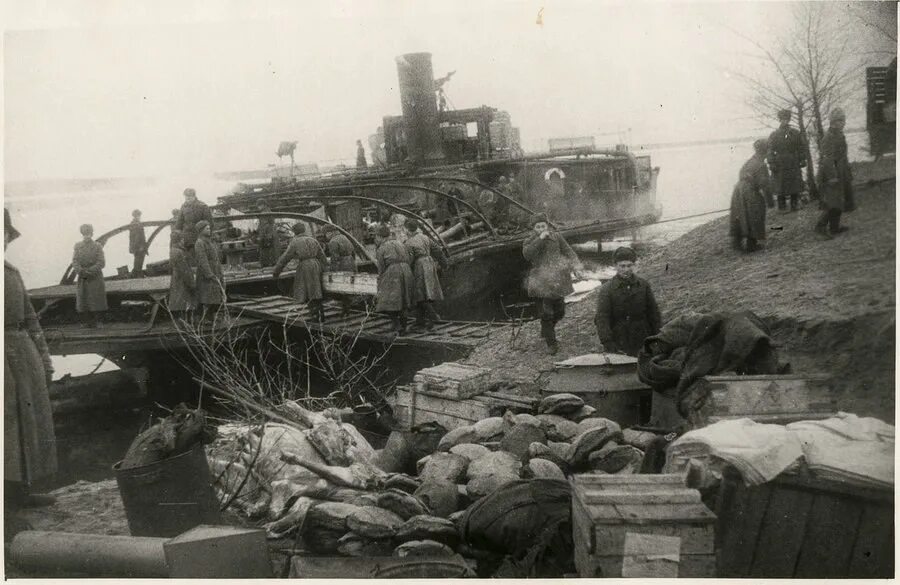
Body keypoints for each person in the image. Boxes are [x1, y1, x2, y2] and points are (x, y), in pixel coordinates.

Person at [5, 209, 58, 521]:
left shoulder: (11, 272)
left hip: (21, 354)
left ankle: (19, 492)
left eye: (5, 235)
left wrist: (45, 358)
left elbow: (30, 318)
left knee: (27, 421)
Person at [522, 214, 583, 355]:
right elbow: (527, 255)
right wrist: (539, 239)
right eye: (538, 227)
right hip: (541, 281)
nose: (541, 229)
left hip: (558, 279)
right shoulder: (529, 241)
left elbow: (569, 252)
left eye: (543, 226)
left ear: (547, 226)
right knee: (546, 313)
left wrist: (576, 267)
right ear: (533, 229)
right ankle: (551, 343)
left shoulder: (557, 237)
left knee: (560, 311)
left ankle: (546, 329)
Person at [594, 246, 661, 357]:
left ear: (634, 265)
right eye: (622, 266)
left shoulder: (643, 285)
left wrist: (656, 337)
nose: (626, 270)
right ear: (615, 266)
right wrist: (607, 342)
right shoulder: (607, 289)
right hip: (619, 339)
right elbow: (602, 318)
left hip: (642, 337)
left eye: (629, 265)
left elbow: (653, 313)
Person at [272, 222, 327, 321]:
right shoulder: (313, 240)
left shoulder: (295, 242)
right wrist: (325, 269)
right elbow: (322, 256)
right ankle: (321, 314)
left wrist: (276, 271)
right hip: (316, 265)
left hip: (305, 266)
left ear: (295, 232)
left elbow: (285, 258)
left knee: (307, 290)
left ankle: (314, 315)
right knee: (316, 289)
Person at [815, 108, 856, 238]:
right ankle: (820, 228)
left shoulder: (839, 134)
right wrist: (832, 176)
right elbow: (827, 159)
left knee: (839, 199)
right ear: (833, 122)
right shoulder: (829, 137)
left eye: (843, 120)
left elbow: (843, 156)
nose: (843, 123)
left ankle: (834, 227)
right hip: (830, 173)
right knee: (833, 202)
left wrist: (846, 172)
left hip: (840, 170)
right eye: (840, 120)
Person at [404, 219, 449, 330]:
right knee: (426, 292)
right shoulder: (425, 237)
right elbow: (437, 250)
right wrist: (444, 263)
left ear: (408, 230)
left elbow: (409, 260)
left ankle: (433, 316)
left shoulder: (409, 243)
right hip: (429, 263)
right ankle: (420, 321)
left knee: (420, 293)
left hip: (420, 266)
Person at [730, 139, 773, 252]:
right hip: (749, 190)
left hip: (738, 189)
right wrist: (770, 201)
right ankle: (751, 244)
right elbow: (764, 184)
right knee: (756, 212)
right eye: (769, 150)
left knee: (739, 214)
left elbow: (741, 173)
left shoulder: (750, 161)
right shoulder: (761, 165)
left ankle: (736, 243)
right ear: (765, 151)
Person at [374, 224, 413, 334]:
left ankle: (396, 324)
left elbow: (381, 267)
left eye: (376, 236)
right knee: (404, 299)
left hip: (392, 272)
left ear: (380, 237)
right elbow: (409, 257)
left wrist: (380, 279)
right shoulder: (400, 243)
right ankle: (404, 327)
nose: (376, 239)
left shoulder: (381, 248)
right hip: (406, 270)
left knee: (386, 299)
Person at [767, 109, 807, 212]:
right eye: (783, 119)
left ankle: (794, 205)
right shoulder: (774, 135)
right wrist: (771, 163)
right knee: (781, 186)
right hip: (780, 162)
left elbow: (801, 147)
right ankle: (782, 207)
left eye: (787, 119)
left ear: (789, 119)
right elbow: (770, 150)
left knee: (795, 184)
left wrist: (802, 159)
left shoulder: (795, 133)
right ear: (780, 120)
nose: (785, 121)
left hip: (793, 160)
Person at [72, 223, 108, 328]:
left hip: (95, 277)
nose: (86, 236)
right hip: (83, 276)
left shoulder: (97, 246)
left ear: (92, 234)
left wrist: (90, 271)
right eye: (84, 234)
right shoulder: (78, 246)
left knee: (96, 299)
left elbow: (101, 262)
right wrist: (81, 271)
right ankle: (86, 322)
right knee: (84, 299)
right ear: (82, 235)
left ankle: (98, 321)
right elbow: (75, 261)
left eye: (88, 234)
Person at [323, 223, 356, 316]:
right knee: (348, 286)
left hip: (342, 264)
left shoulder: (333, 242)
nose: (326, 236)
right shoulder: (344, 237)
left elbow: (335, 259)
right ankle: (347, 308)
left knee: (341, 286)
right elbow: (353, 252)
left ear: (329, 233)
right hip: (350, 262)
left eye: (325, 234)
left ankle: (345, 310)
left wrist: (333, 272)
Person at [193, 220, 224, 315]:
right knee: (206, 297)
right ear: (201, 230)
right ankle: (204, 318)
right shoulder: (199, 243)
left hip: (214, 271)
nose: (209, 230)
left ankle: (210, 317)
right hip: (206, 275)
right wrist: (209, 274)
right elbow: (202, 260)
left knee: (212, 296)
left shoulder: (208, 242)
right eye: (207, 228)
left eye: (209, 228)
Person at [175, 188, 213, 258]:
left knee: (201, 257)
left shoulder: (203, 206)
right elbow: (179, 223)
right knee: (190, 257)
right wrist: (178, 236)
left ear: (194, 196)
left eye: (189, 197)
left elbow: (209, 223)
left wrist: (207, 238)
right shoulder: (184, 206)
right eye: (186, 197)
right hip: (187, 238)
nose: (187, 198)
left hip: (199, 237)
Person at [167, 230, 196, 319]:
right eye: (182, 239)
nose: (183, 240)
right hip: (182, 282)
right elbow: (185, 270)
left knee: (179, 304)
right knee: (185, 303)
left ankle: (182, 323)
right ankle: (187, 325)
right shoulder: (180, 252)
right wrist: (192, 284)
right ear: (180, 240)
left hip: (176, 280)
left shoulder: (173, 250)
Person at [255, 202, 279, 267]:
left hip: (267, 233)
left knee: (265, 250)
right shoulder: (269, 211)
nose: (258, 208)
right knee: (272, 250)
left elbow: (264, 225)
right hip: (271, 233)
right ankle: (273, 263)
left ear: (263, 205)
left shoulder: (264, 213)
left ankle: (266, 264)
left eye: (259, 206)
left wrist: (261, 235)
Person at [128, 209, 148, 277]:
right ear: (136, 216)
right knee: (138, 259)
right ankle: (137, 273)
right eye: (138, 215)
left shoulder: (134, 223)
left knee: (138, 259)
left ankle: (137, 273)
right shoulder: (135, 223)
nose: (139, 216)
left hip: (137, 246)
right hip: (138, 246)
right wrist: (140, 247)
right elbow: (137, 236)